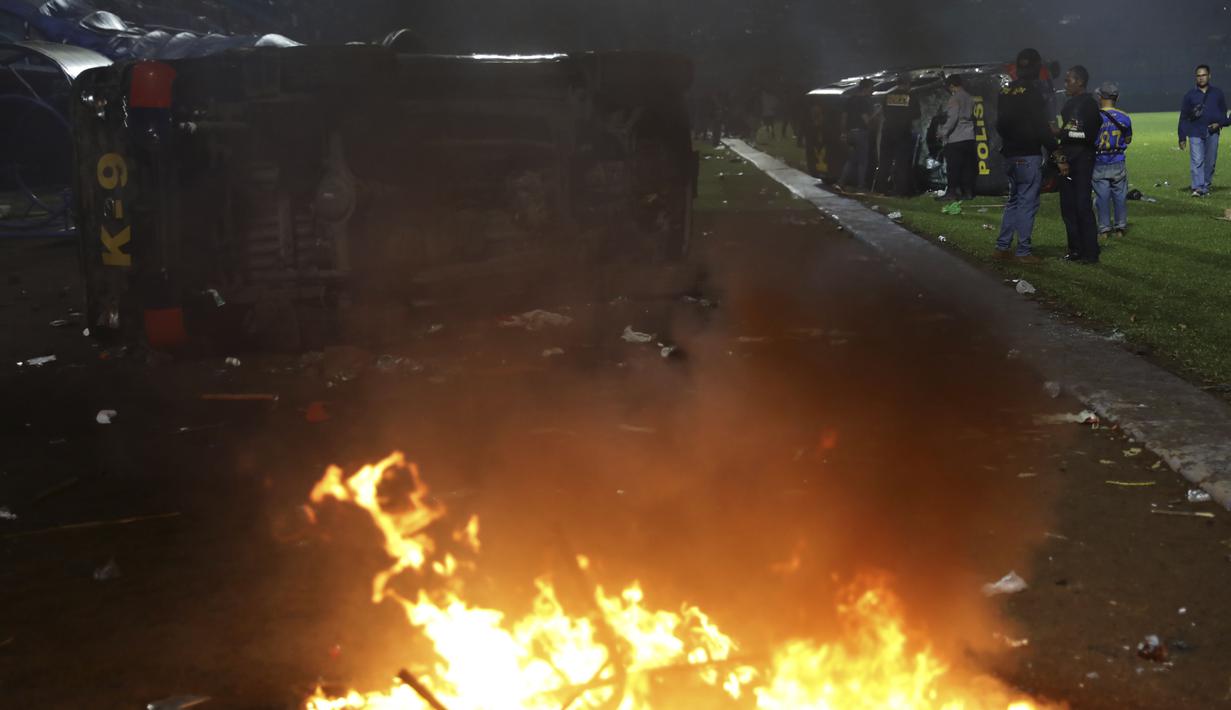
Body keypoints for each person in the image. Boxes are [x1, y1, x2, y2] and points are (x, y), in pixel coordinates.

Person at [993, 47, 1057, 263]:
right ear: (1037, 67)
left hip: (1010, 155)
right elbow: (1041, 127)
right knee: (1027, 203)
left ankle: (1002, 247)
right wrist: (1054, 148)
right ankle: (1023, 252)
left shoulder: (1004, 91)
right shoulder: (1033, 93)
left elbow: (999, 125)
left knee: (1013, 201)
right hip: (1028, 155)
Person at [1055, 65, 1102, 264]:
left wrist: (1061, 133)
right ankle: (1075, 250)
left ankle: (1090, 252)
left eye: (1068, 80)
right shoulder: (1069, 103)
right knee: (1067, 206)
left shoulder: (1089, 104)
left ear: (1079, 82)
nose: (1065, 84)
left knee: (1082, 205)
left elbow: (1087, 135)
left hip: (1082, 158)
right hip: (1067, 157)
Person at [1178, 64, 1231, 197]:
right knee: (1197, 160)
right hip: (1195, 131)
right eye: (1198, 75)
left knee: (1210, 162)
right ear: (1196, 78)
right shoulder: (1190, 95)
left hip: (1212, 132)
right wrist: (1182, 137)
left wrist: (1219, 124)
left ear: (1209, 76)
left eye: (1204, 75)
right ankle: (1198, 187)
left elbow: (1224, 113)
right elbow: (1183, 116)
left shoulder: (1217, 93)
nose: (1201, 78)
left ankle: (1205, 185)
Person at [1092, 82, 1132, 240]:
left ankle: (1104, 230)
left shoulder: (1095, 116)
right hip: (1118, 160)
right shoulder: (1124, 117)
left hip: (1100, 161)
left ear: (1100, 97)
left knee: (1102, 197)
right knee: (1120, 196)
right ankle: (1120, 228)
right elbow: (1128, 139)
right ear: (1117, 97)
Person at [875, 74, 921, 196]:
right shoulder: (910, 96)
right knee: (901, 163)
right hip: (903, 133)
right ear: (907, 84)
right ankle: (900, 190)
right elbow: (917, 115)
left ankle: (881, 188)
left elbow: (884, 112)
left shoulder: (888, 95)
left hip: (888, 132)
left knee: (885, 162)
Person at [939, 74, 977, 201]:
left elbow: (953, 118)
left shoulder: (954, 98)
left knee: (954, 167)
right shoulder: (970, 97)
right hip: (969, 137)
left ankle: (951, 193)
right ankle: (968, 192)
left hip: (956, 138)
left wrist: (943, 132)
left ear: (951, 86)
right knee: (967, 167)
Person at [839, 78, 877, 191]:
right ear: (866, 88)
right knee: (863, 161)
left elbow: (844, 117)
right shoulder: (865, 102)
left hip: (850, 133)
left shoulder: (850, 99)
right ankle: (861, 186)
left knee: (851, 160)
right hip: (861, 133)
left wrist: (843, 132)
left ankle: (841, 182)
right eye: (871, 88)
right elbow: (866, 119)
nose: (872, 91)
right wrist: (876, 114)